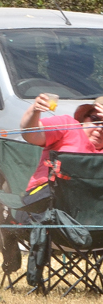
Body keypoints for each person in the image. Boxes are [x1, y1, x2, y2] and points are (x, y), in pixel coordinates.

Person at [18, 93, 103, 221]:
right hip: (46, 203)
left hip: (89, 211)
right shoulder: (68, 125)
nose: (100, 128)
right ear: (84, 117)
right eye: (95, 119)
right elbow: (31, 134)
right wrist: (34, 111)